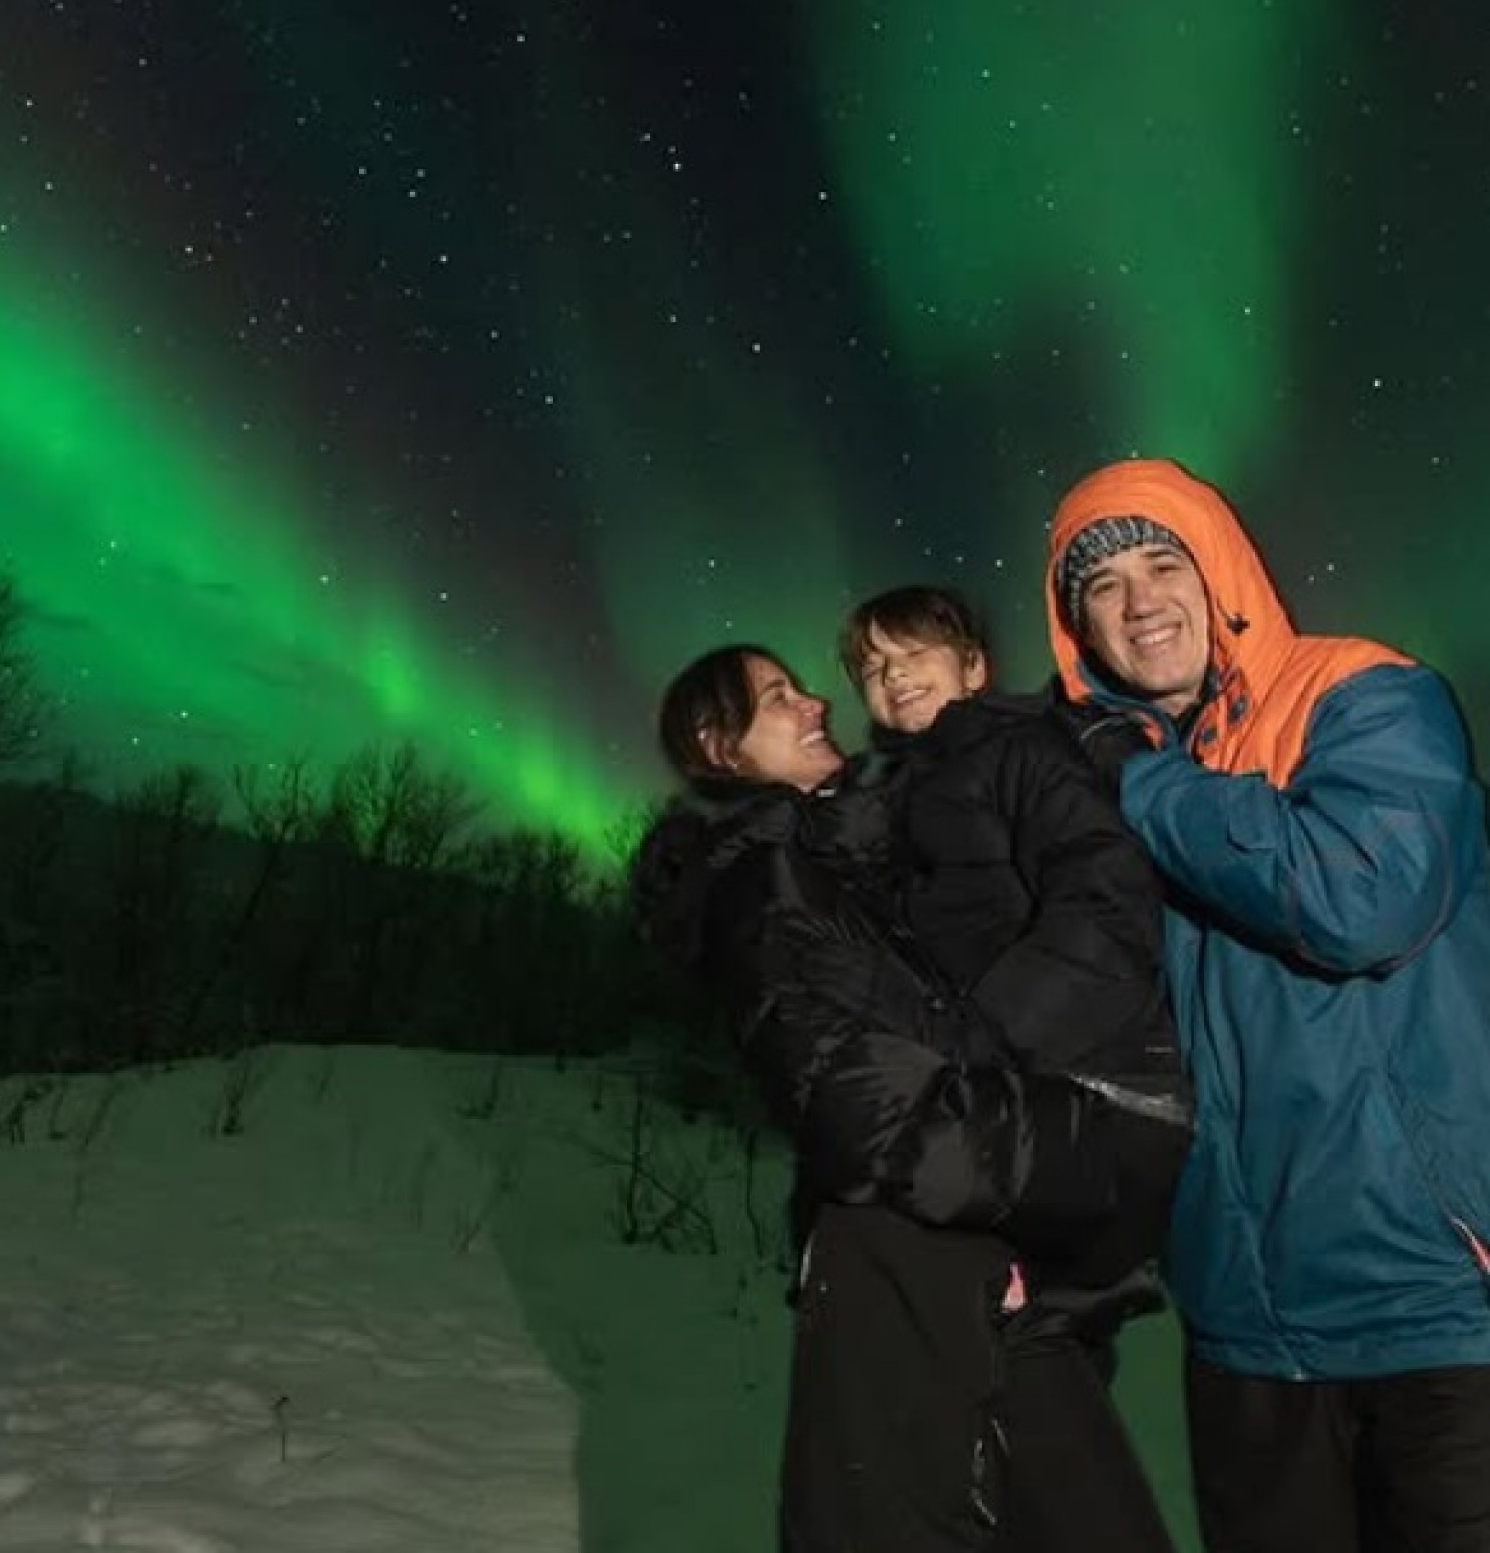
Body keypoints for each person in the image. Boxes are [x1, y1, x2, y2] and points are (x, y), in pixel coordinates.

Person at [630, 643, 1187, 1553]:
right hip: (907, 1258)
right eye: (776, 698)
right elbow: (866, 1111)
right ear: (717, 745)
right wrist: (1081, 1156)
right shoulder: (761, 885)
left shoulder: (848, 863)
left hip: (981, 1255)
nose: (816, 704)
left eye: (803, 686)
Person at [1044, 455, 1490, 1553]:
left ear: (1222, 570)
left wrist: (1140, 781)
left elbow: (1362, 898)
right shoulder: (1094, 785)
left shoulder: (1364, 694)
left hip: (1433, 1308)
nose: (1141, 601)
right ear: (1077, 630)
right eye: (1103, 586)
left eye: (1164, 561)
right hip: (1242, 1330)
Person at [840, 583, 1187, 1129]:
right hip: (992, 1080)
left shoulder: (1022, 748)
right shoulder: (888, 801)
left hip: (1094, 1074)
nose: (894, 676)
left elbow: (1105, 894)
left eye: (914, 653)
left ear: (974, 668)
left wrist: (990, 1039)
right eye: (872, 667)